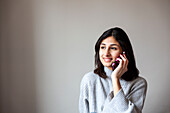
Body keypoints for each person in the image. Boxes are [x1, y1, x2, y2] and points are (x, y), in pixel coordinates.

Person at [79, 27, 147, 113]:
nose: (106, 53)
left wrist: (115, 79)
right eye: (103, 47)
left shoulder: (138, 83)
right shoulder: (89, 80)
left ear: (124, 53)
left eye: (113, 48)